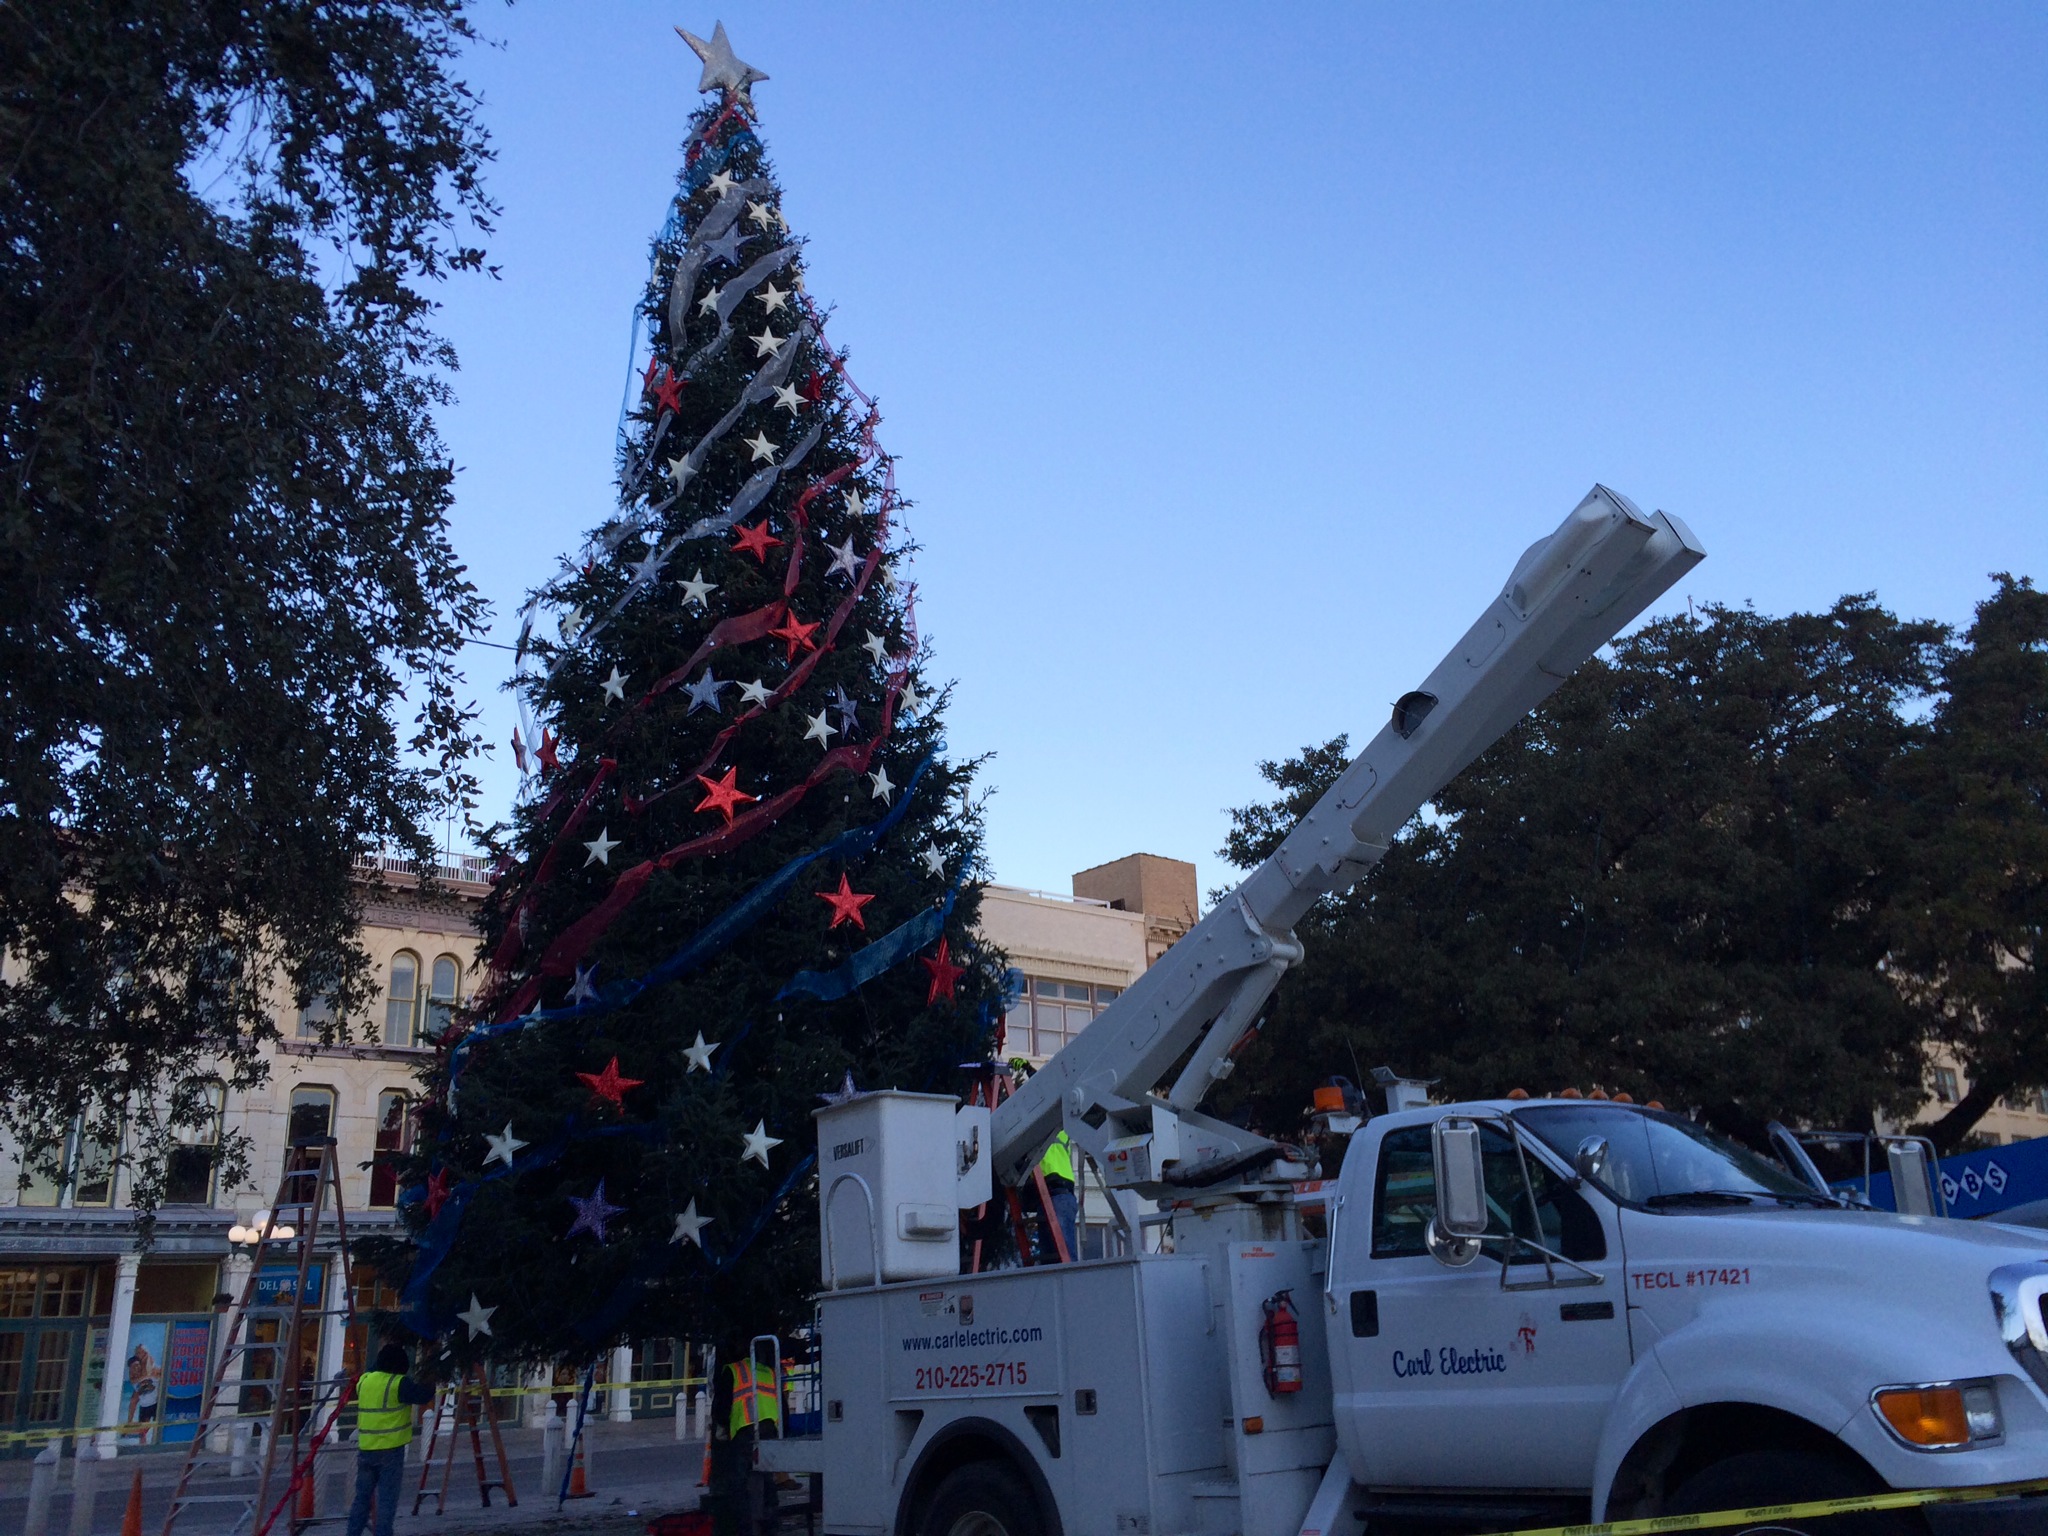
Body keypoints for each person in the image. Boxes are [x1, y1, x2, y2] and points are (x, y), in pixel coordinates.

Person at [346, 1343, 433, 1536]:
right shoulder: (398, 1383)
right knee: (386, 1502)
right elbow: (424, 1395)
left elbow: (371, 1370)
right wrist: (432, 1372)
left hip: (366, 1449)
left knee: (362, 1500)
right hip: (390, 1451)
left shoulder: (365, 1380)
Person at [1035, 1130, 1078, 1263]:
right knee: (1053, 1255)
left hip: (1058, 1192)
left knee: (1063, 1254)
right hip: (1055, 1195)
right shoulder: (1063, 1131)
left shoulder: (1044, 1126)